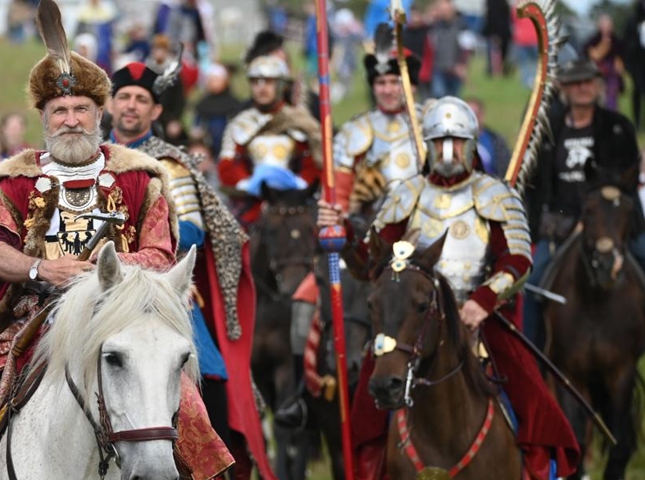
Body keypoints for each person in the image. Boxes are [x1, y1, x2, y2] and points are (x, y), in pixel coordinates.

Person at [0, 2, 231, 478]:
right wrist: (41, 269)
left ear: (98, 114)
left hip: (121, 319)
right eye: (59, 110)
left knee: (195, 423)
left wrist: (99, 274)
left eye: (81, 109)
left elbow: (159, 252)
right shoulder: (15, 181)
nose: (71, 119)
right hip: (32, 324)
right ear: (44, 118)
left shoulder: (140, 178)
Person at [319, 96, 580, 480]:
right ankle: (370, 468)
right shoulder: (405, 195)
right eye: (439, 141)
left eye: (455, 141)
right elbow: (373, 265)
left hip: (477, 319)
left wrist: (482, 301)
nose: (447, 150)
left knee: (531, 394)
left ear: (471, 143)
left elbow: (518, 261)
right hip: (411, 316)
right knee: (369, 399)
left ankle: (541, 470)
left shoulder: (495, 195)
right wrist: (342, 236)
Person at [108, 60, 276, 480]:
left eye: (141, 100)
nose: (131, 106)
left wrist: (128, 237)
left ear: (156, 111)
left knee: (211, 376)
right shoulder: (87, 159)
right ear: (110, 104)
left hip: (160, 284)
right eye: (124, 97)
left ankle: (215, 466)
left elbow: (193, 232)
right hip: (96, 283)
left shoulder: (171, 164)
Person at [274, 43, 424, 429]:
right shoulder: (355, 132)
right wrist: (335, 219)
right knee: (305, 300)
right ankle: (300, 395)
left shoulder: (431, 127)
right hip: (363, 241)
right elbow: (337, 196)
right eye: (382, 82)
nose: (388, 90)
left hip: (420, 239)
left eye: (395, 82)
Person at [523, 59, 642, 345]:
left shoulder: (617, 127)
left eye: (588, 81)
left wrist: (593, 219)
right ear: (563, 87)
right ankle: (533, 354)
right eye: (576, 82)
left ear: (599, 85)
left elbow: (626, 179)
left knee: (643, 257)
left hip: (613, 221)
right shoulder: (547, 129)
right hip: (560, 223)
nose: (583, 88)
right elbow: (536, 183)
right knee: (533, 283)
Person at [218, 54, 322, 227]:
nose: (261, 88)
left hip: (296, 202)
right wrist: (247, 183)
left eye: (268, 82)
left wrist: (301, 183)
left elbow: (312, 162)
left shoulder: (300, 120)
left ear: (281, 84)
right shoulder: (240, 123)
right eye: (256, 82)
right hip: (253, 206)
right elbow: (228, 165)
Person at [193, 63, 240, 159]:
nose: (213, 83)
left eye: (216, 80)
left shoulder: (234, 104)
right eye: (211, 80)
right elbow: (197, 126)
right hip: (208, 148)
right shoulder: (203, 104)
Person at [584, 14, 626, 111]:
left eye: (608, 25)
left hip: (612, 75)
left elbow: (621, 60)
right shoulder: (593, 40)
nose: (606, 28)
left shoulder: (617, 41)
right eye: (604, 25)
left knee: (612, 98)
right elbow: (593, 55)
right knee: (598, 97)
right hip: (598, 73)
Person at [466, 96, 511, 177]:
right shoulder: (454, 142)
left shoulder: (497, 142)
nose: (471, 119)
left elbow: (506, 170)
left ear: (482, 115)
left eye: (475, 114)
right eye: (467, 114)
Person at [624, 0, 645, 131]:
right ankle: (637, 123)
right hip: (638, 63)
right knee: (637, 92)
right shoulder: (633, 20)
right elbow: (627, 42)